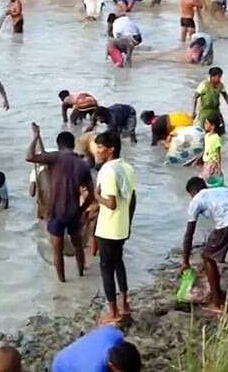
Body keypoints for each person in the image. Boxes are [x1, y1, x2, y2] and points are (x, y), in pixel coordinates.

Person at [26, 123, 94, 283]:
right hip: (73, 212)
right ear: (72, 145)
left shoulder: (55, 158)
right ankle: (81, 275)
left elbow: (30, 156)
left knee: (58, 251)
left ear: (59, 145)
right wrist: (82, 210)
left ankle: (62, 283)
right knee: (78, 246)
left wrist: (35, 137)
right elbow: (91, 194)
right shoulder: (82, 164)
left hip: (56, 212)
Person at [180, 177, 228, 312]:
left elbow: (189, 234)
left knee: (207, 257)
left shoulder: (197, 199)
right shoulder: (223, 190)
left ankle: (216, 302)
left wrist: (185, 261)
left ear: (192, 193)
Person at [90, 131, 137, 324]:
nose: (98, 151)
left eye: (101, 148)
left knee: (106, 268)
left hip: (108, 228)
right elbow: (132, 199)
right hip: (122, 226)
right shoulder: (127, 167)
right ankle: (124, 304)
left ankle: (114, 312)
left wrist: (96, 196)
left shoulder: (108, 171)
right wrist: (129, 222)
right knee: (119, 263)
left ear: (111, 150)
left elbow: (111, 203)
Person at [51, 326, 142, 372]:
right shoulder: (95, 369)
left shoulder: (116, 335)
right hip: (62, 367)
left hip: (78, 354)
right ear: (110, 364)